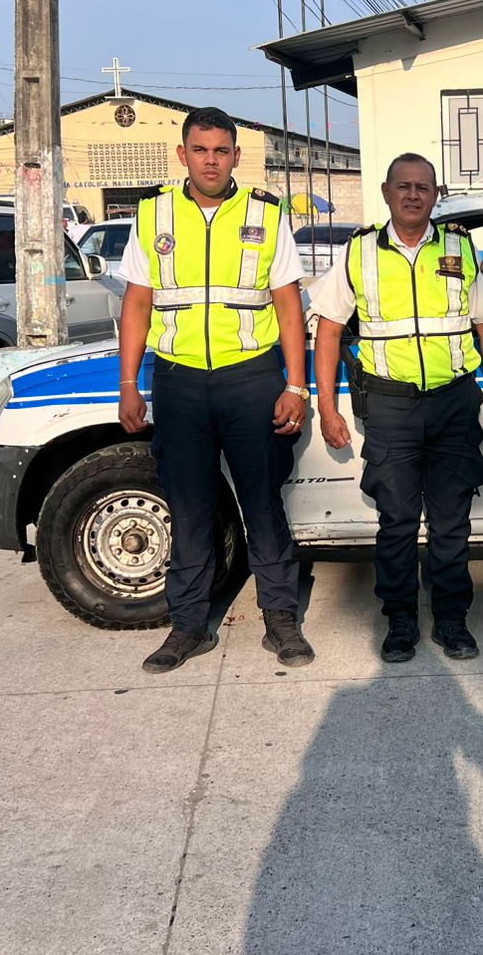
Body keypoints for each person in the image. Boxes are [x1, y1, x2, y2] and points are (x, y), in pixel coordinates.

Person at [117, 106, 314, 674]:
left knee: (262, 503)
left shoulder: (266, 214)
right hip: (179, 382)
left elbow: (288, 303)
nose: (211, 161)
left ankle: (281, 619)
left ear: (236, 156)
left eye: (221, 151)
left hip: (251, 378)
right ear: (183, 155)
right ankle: (188, 626)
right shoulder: (153, 213)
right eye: (201, 150)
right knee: (189, 507)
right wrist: (129, 384)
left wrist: (296, 386)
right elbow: (137, 303)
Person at [312, 153, 483, 662]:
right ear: (386, 192)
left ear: (436, 195)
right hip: (390, 406)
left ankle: (451, 620)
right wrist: (327, 410)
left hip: (453, 403)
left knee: (452, 522)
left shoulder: (459, 246)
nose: (413, 195)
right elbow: (329, 330)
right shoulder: (359, 251)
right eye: (403, 186)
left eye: (423, 187)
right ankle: (400, 620)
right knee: (397, 521)